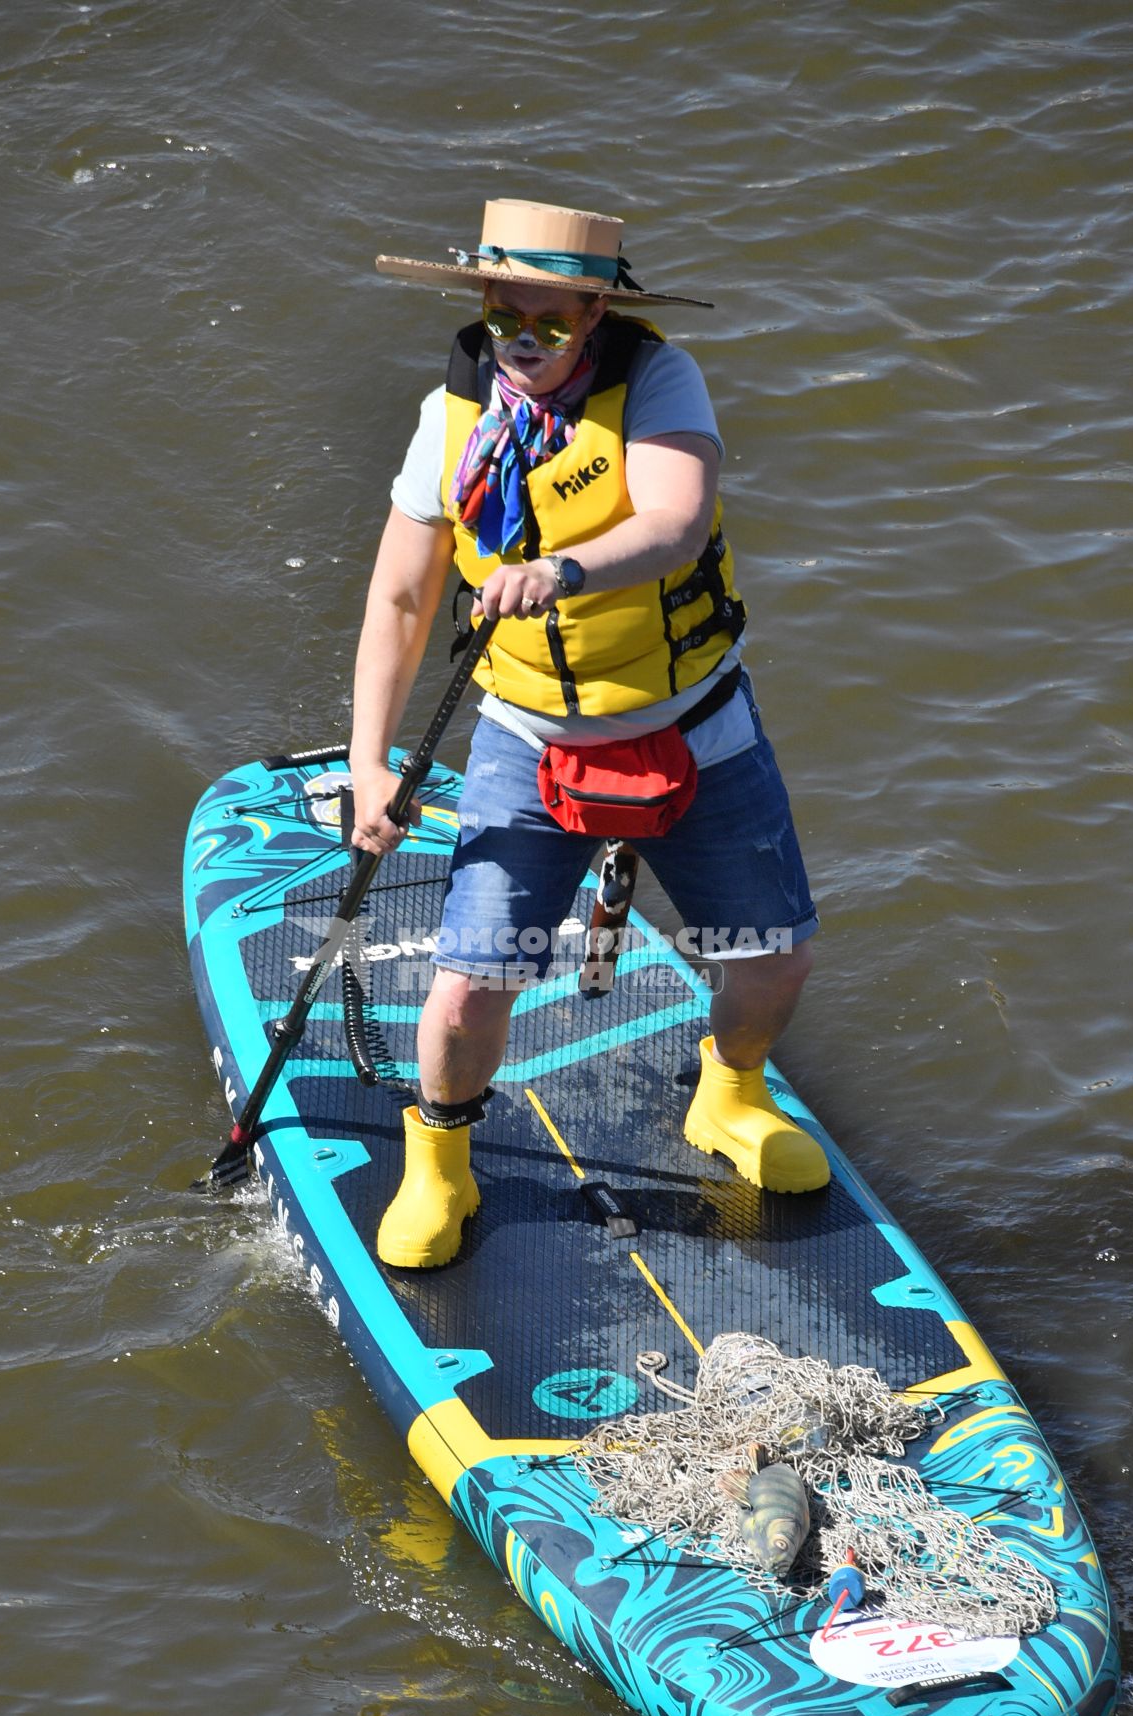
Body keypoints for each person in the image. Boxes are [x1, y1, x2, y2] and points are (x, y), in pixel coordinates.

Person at [349, 197, 828, 1269]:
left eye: (550, 322)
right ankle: (441, 1165)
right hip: (528, 737)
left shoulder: (661, 384)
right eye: (501, 313)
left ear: (597, 310)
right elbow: (397, 602)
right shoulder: (450, 419)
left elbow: (673, 521)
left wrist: (559, 569)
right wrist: (369, 759)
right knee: (475, 979)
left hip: (695, 721)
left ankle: (732, 1094)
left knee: (774, 958)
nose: (522, 341)